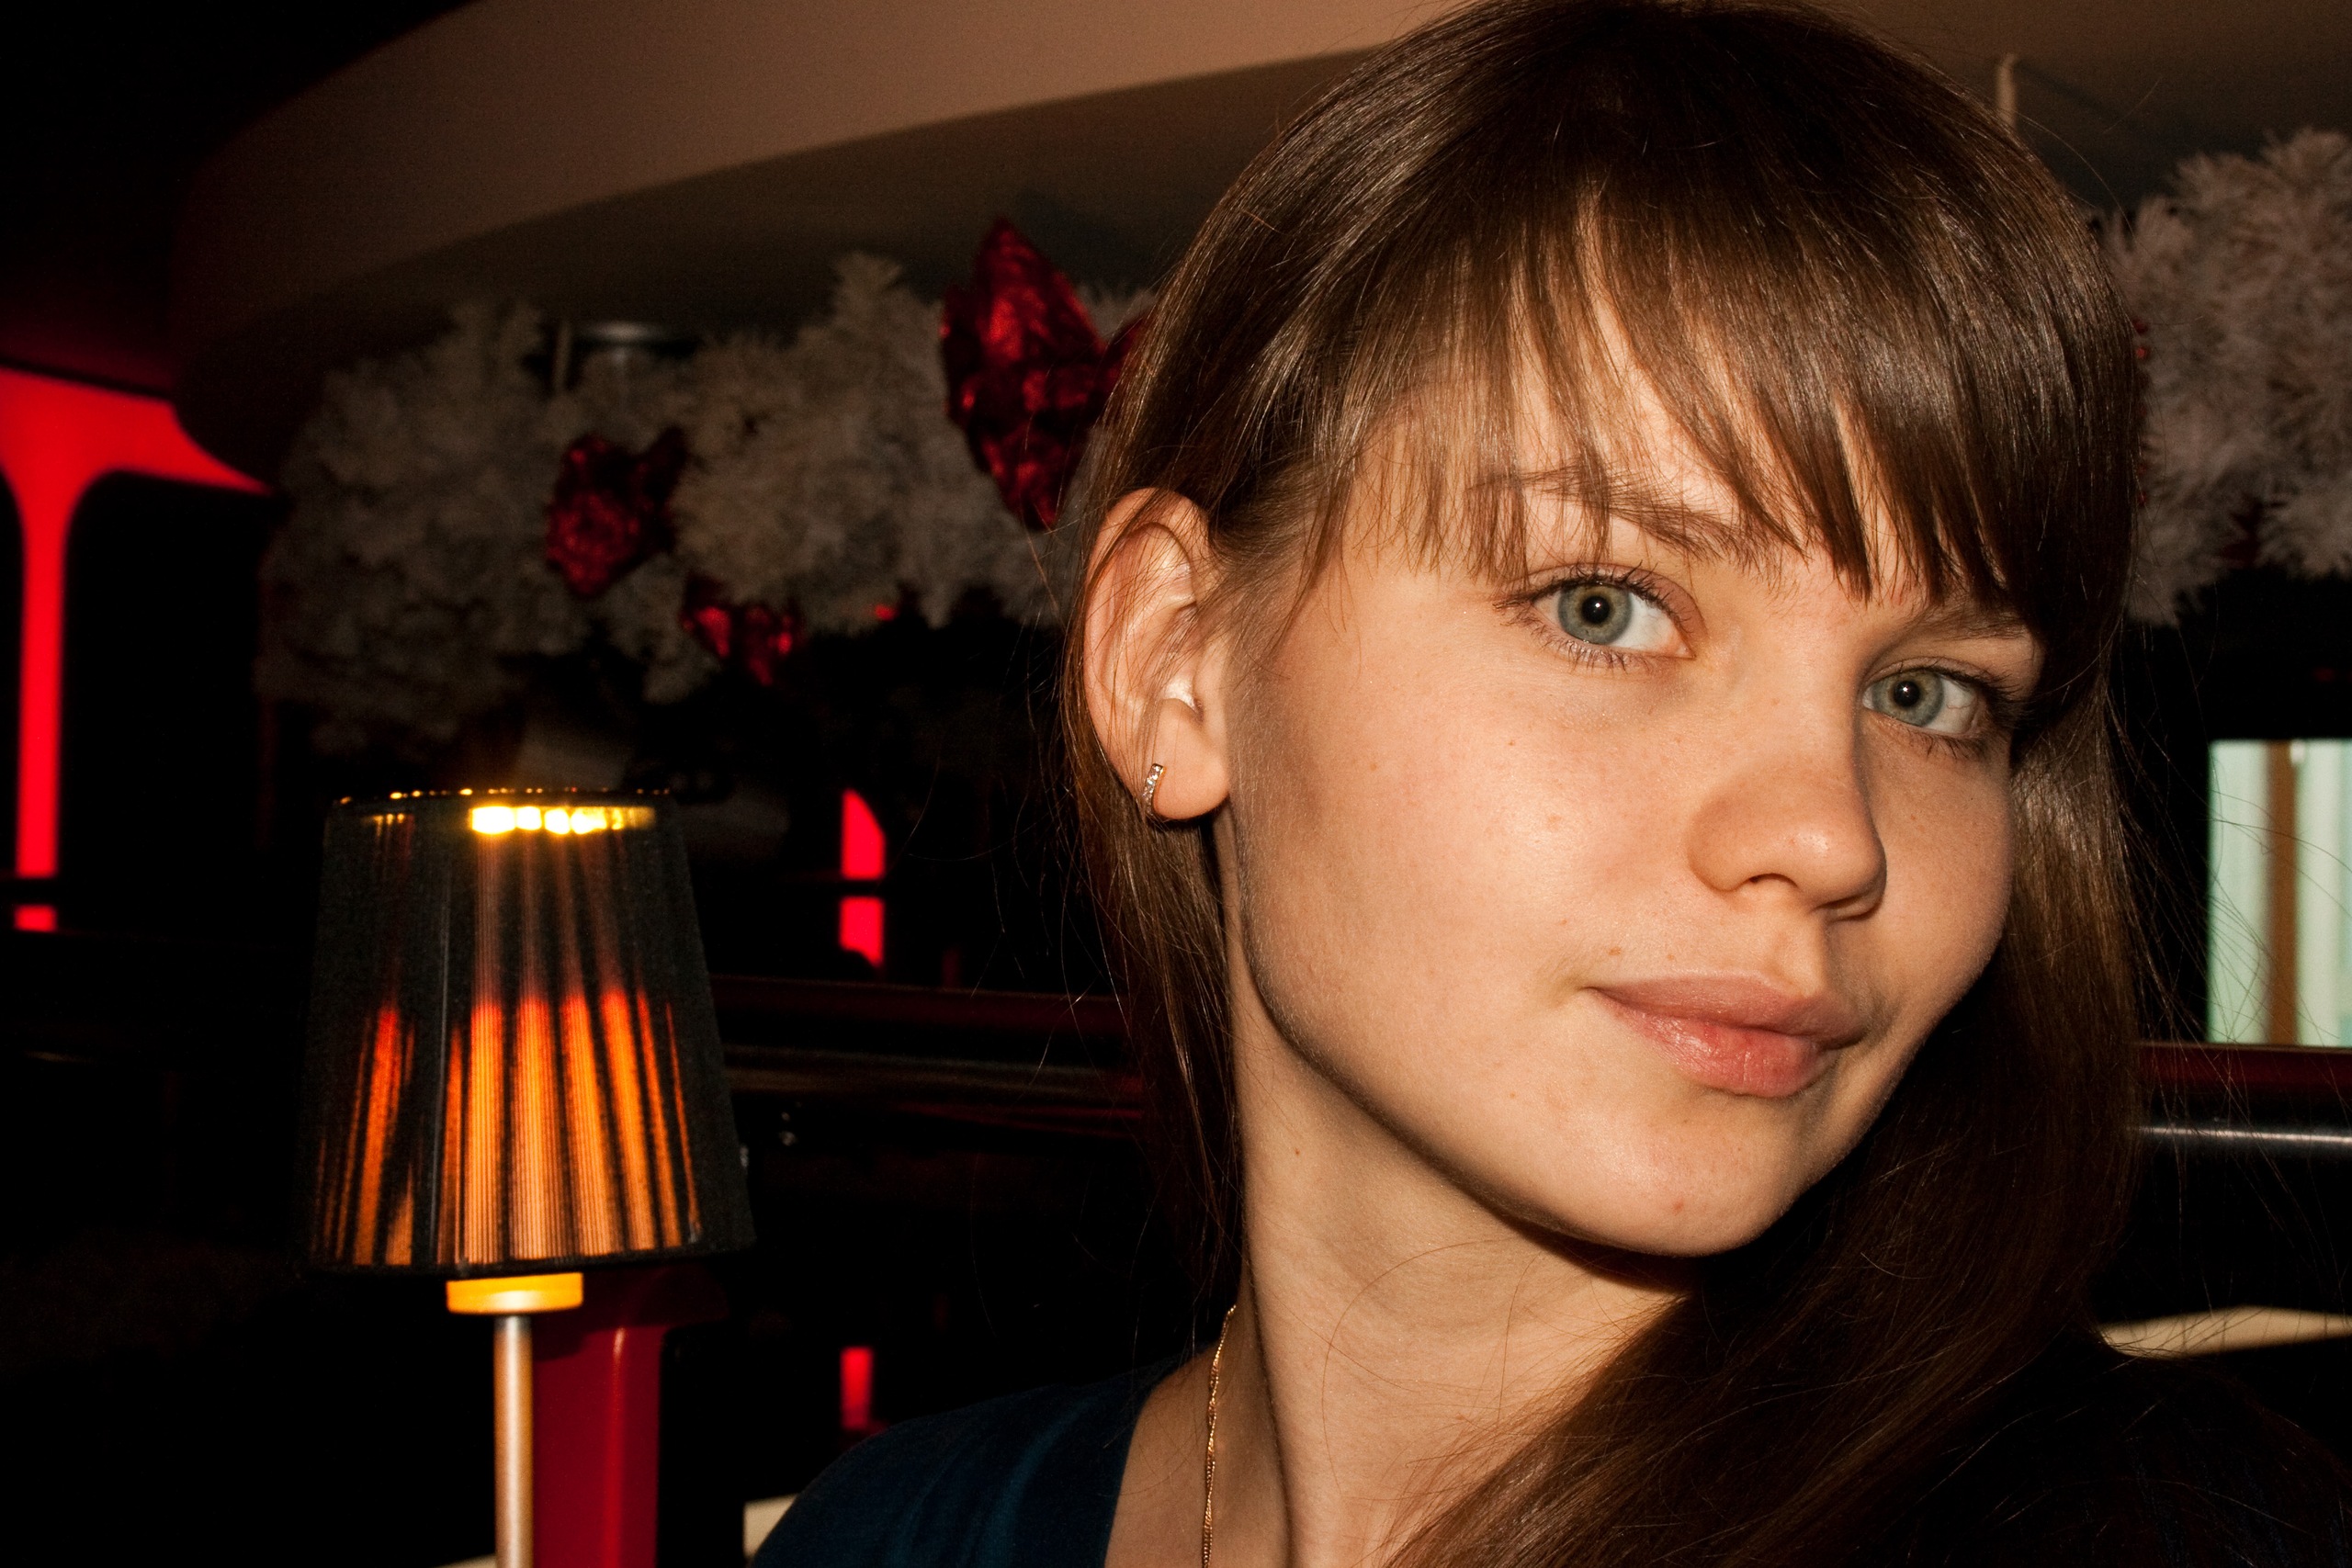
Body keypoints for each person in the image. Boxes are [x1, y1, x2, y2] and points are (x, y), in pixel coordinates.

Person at [758, 1, 2352, 1562]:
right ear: (1176, 660)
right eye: (1606, 607)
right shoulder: (883, 1535)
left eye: (1925, 695)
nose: (1829, 835)